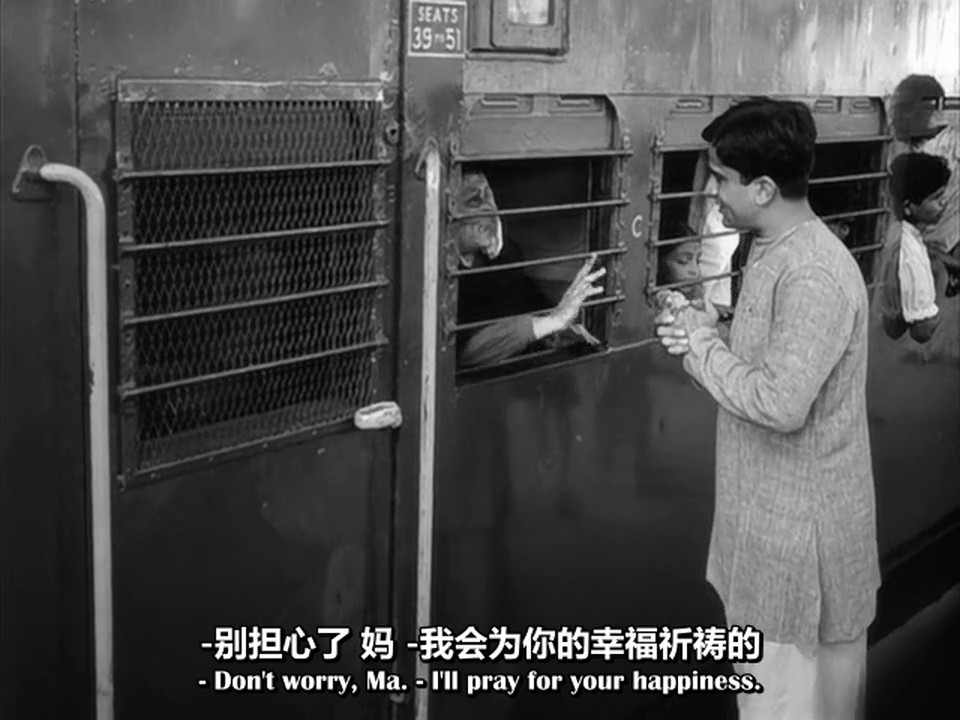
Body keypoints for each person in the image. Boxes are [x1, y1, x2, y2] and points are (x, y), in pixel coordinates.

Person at [654, 98, 880, 720]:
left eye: (721, 179)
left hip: (797, 558)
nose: (712, 195)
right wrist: (711, 329)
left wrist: (700, 346)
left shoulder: (811, 274)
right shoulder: (775, 248)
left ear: (762, 188)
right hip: (775, 538)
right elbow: (771, 359)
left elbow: (780, 403)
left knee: (784, 705)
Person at [452, 171, 606, 368]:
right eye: (475, 200)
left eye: (488, 195)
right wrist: (552, 321)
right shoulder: (445, 275)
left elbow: (530, 298)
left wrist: (563, 327)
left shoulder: (507, 257)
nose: (489, 208)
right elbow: (463, 353)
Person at [877, 153, 951, 343]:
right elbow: (922, 332)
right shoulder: (910, 254)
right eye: (935, 198)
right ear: (909, 206)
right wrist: (941, 282)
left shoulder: (898, 234)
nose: (943, 203)